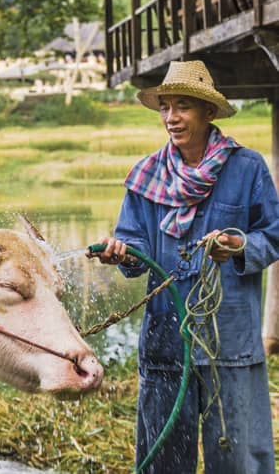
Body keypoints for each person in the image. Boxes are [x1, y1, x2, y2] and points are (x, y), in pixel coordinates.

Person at [88, 60, 278, 474]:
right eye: (165, 107)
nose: (171, 118)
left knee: (237, 455)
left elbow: (274, 234)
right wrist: (121, 252)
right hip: (165, 339)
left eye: (183, 107)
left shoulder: (247, 169)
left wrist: (239, 245)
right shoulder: (145, 175)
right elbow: (135, 246)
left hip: (229, 338)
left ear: (209, 112)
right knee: (163, 455)